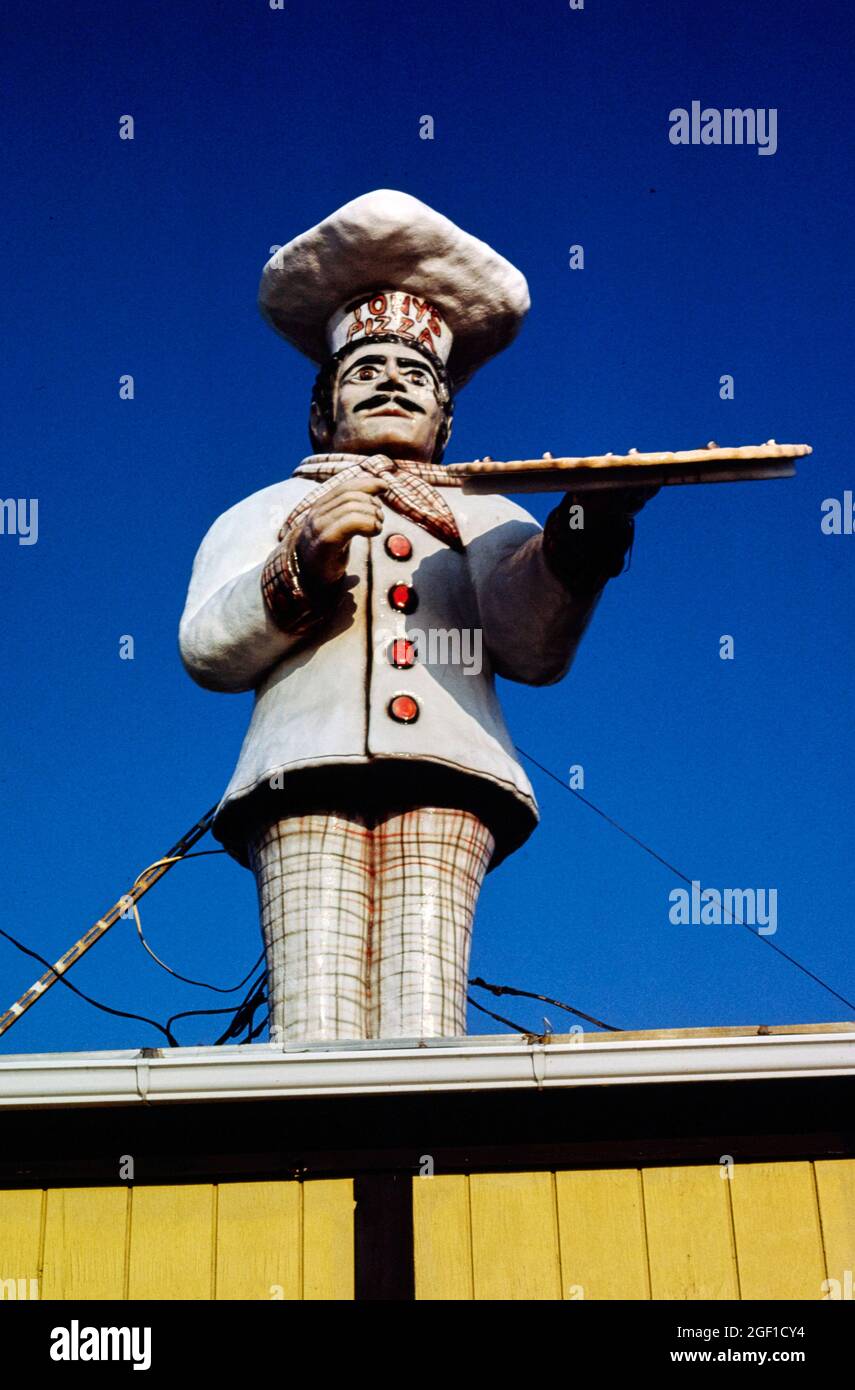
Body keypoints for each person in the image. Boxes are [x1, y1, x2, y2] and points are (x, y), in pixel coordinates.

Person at [179, 190, 654, 1043]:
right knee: (314, 1006)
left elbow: (529, 643)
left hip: (449, 770)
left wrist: (584, 532)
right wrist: (296, 568)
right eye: (366, 372)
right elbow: (208, 647)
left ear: (444, 416)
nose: (392, 383)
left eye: (415, 376)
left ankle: (413, 1157)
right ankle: (319, 1155)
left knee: (422, 1001)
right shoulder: (264, 510)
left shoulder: (484, 511)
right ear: (324, 407)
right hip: (303, 767)